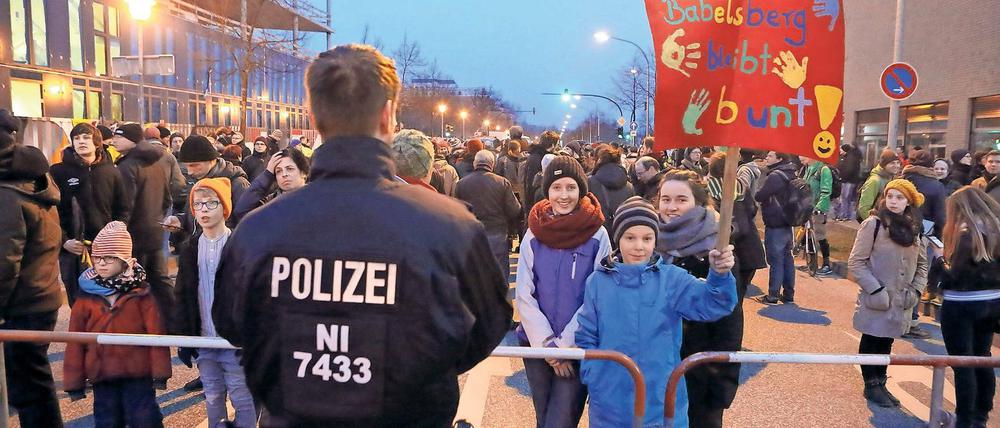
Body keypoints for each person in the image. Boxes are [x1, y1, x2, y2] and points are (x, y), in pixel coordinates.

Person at [212, 44, 512, 426]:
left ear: (313, 115)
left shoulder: (258, 229)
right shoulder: (449, 226)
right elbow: (486, 326)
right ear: (389, 115)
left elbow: (234, 324)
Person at [577, 196, 737, 428]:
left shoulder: (672, 279)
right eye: (630, 237)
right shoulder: (597, 282)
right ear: (617, 238)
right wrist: (595, 376)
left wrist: (720, 274)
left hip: (662, 396)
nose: (639, 246)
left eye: (647, 238)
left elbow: (714, 303)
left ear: (655, 240)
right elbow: (586, 335)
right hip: (610, 397)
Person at [516, 155, 611, 428]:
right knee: (543, 418)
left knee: (561, 421)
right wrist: (546, 345)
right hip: (536, 345)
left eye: (571, 187)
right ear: (547, 190)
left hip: (577, 345)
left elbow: (596, 295)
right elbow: (524, 292)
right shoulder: (534, 231)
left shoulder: (598, 234)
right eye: (557, 188)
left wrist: (564, 347)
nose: (564, 195)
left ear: (581, 189)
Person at [655, 169, 745, 426]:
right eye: (666, 199)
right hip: (658, 369)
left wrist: (721, 380)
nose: (672, 207)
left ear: (699, 202)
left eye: (681, 200)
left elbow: (730, 320)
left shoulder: (717, 250)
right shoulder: (650, 242)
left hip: (701, 373)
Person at [64, 221, 171, 427]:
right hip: (102, 374)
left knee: (145, 419)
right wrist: (74, 382)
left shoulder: (141, 294)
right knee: (108, 421)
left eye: (110, 258)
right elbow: (74, 341)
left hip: (138, 372)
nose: (102, 263)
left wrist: (160, 372)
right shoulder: (85, 296)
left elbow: (156, 334)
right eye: (97, 258)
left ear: (125, 261)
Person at [173, 179, 257, 427]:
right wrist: (183, 336)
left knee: (242, 396)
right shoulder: (190, 248)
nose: (204, 209)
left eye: (211, 202)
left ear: (224, 208)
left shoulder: (240, 245)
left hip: (234, 340)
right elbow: (182, 294)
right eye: (198, 204)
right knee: (212, 395)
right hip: (203, 338)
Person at [0, 110, 65, 427]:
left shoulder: (6, 193)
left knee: (29, 389)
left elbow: (4, 263)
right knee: (33, 384)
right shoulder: (30, 178)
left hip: (21, 303)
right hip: (40, 294)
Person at [848, 180, 928, 408]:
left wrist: (916, 290)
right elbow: (856, 262)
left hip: (902, 298)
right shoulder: (873, 225)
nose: (893, 201)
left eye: (900, 198)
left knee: (886, 341)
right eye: (890, 196)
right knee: (872, 338)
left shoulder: (915, 229)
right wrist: (876, 289)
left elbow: (922, 265)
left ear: (909, 202)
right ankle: (871, 384)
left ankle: (881, 381)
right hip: (878, 297)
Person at [939, 186, 1000, 428]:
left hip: (961, 305)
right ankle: (980, 415)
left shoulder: (966, 232)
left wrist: (939, 266)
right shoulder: (995, 229)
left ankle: (965, 420)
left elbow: (959, 276)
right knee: (982, 357)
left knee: (962, 363)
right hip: (991, 303)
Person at [51, 122, 130, 306]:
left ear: (97, 143)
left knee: (107, 300)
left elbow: (122, 209)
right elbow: (50, 213)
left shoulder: (112, 172)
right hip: (73, 249)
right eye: (77, 138)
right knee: (78, 302)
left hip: (106, 249)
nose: (81, 141)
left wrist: (114, 237)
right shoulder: (58, 172)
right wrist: (64, 241)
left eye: (86, 137)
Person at [112, 122, 175, 320]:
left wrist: (119, 233)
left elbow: (125, 205)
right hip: (154, 232)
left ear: (132, 140)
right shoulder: (155, 161)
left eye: (119, 137)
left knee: (134, 283)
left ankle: (140, 326)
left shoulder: (127, 165)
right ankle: (176, 322)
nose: (114, 140)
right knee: (159, 280)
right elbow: (167, 198)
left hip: (134, 235)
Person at [455, 150, 522, 272]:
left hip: (471, 236)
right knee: (499, 275)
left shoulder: (461, 184)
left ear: (475, 163)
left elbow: (457, 211)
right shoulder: (502, 182)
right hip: (497, 236)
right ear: (492, 164)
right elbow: (514, 209)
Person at [755, 151, 800, 304]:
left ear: (779, 159)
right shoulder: (791, 173)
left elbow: (759, 195)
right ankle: (788, 294)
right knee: (787, 258)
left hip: (775, 223)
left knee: (776, 260)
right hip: (788, 222)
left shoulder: (775, 176)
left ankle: (773, 295)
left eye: (770, 156)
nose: (766, 158)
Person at [233, 148, 310, 221]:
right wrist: (267, 174)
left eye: (290, 169)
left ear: (303, 172)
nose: (284, 174)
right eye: (278, 171)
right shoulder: (270, 202)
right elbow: (242, 212)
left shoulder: (317, 199)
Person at [587, 144, 635, 234]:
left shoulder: (590, 182)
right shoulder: (629, 186)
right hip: (622, 233)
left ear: (598, 161)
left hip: (598, 233)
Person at [800, 155, 834, 276]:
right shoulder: (808, 169)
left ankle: (826, 264)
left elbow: (826, 191)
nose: (800, 157)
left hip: (818, 209)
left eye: (804, 155)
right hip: (808, 207)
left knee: (820, 235)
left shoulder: (823, 170)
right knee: (808, 233)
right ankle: (811, 262)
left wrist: (820, 207)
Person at [904, 150, 947, 238]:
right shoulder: (937, 186)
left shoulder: (900, 180)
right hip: (925, 231)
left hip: (900, 228)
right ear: (931, 165)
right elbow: (940, 218)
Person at [857, 150, 902, 221]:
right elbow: (863, 209)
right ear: (884, 164)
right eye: (892, 163)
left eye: (898, 163)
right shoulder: (874, 181)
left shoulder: (892, 178)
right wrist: (876, 224)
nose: (896, 166)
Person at [522, 131, 559, 218]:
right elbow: (532, 184)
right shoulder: (541, 158)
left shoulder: (534, 156)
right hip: (537, 203)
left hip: (532, 201)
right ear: (553, 145)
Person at [836, 143, 864, 221]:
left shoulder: (850, 158)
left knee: (845, 199)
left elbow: (849, 170)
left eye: (841, 149)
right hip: (849, 181)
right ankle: (847, 215)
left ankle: (845, 215)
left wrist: (841, 177)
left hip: (848, 181)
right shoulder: (848, 157)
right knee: (847, 199)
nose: (840, 150)